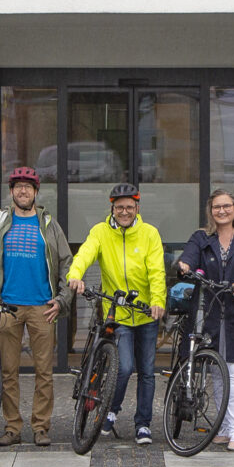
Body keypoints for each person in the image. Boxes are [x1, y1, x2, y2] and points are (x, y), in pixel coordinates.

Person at [0, 166, 72, 447]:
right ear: (11, 191)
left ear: (36, 192)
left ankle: (41, 427)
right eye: (18, 186)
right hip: (8, 307)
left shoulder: (49, 224)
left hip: (43, 307)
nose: (23, 190)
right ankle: (12, 428)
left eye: (28, 186)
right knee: (9, 371)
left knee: (44, 371)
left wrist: (62, 298)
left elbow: (67, 262)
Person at [68, 183, 168, 444]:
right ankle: (111, 410)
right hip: (119, 312)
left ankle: (143, 425)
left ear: (137, 208)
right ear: (112, 208)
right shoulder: (100, 232)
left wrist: (158, 300)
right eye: (119, 207)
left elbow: (156, 271)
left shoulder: (149, 234)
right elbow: (85, 254)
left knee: (146, 371)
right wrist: (75, 275)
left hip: (145, 313)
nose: (124, 212)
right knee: (123, 367)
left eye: (129, 207)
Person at [178, 189, 234, 451]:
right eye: (217, 207)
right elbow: (189, 256)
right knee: (216, 371)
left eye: (226, 206)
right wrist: (184, 265)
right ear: (211, 211)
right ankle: (224, 426)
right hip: (211, 313)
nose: (222, 211)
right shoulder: (202, 238)